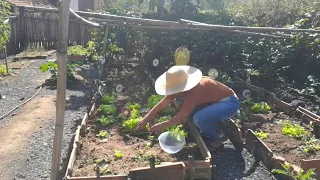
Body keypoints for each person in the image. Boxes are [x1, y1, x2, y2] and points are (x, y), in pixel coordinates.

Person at [136, 65, 240, 151]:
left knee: (198, 119)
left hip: (230, 104)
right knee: (190, 114)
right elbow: (163, 104)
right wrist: (146, 118)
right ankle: (210, 124)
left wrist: (161, 126)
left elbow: (181, 117)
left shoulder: (194, 91)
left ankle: (216, 139)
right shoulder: (178, 87)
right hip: (215, 102)